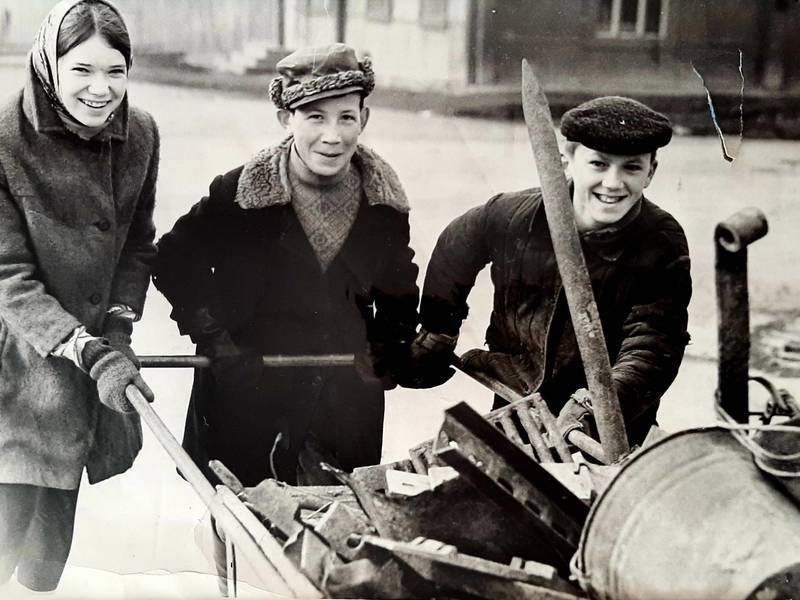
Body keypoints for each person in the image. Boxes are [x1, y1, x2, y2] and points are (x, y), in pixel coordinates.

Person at [152, 43, 419, 489]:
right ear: (286, 118)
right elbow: (174, 261)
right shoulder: (239, 194)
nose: (332, 135)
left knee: (331, 532)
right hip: (248, 396)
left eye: (346, 117)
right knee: (242, 533)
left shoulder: (384, 203)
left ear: (364, 120)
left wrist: (389, 344)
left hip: (342, 406)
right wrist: (216, 341)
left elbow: (399, 288)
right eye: (315, 116)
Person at [414, 96, 691, 447]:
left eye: (631, 168)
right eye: (599, 164)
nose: (613, 182)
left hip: (609, 419)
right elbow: (458, 245)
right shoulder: (515, 215)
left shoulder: (660, 241)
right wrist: (440, 327)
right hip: (517, 396)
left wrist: (597, 408)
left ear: (650, 172)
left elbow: (652, 346)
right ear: (567, 160)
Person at [0, 0, 158, 592]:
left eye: (115, 70)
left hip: (86, 384)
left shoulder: (139, 134)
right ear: (48, 65)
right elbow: (8, 274)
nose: (101, 89)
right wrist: (87, 349)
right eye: (82, 71)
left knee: (45, 564)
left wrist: (117, 333)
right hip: (16, 372)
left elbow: (137, 246)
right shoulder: (4, 140)